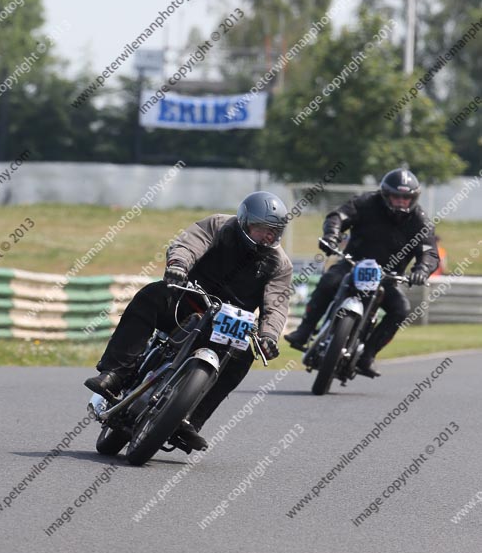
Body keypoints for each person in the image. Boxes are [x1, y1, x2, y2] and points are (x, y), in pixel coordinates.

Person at [85, 191, 293, 450]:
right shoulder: (219, 225)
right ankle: (116, 372)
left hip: (228, 323)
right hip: (190, 299)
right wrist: (178, 265)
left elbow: (277, 303)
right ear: (244, 221)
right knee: (151, 295)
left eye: (274, 231)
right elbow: (189, 243)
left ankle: (191, 420)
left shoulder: (280, 264)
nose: (268, 236)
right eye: (262, 228)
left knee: (244, 355)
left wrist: (269, 336)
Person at [285, 168, 439, 378]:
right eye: (396, 196)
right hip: (352, 264)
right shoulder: (367, 203)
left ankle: (368, 355)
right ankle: (304, 330)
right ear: (385, 194)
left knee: (401, 309)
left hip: (387, 278)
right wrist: (331, 236)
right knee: (329, 280)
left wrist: (422, 270)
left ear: (413, 198)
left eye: (406, 198)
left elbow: (429, 252)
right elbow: (337, 216)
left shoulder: (420, 221)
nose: (401, 202)